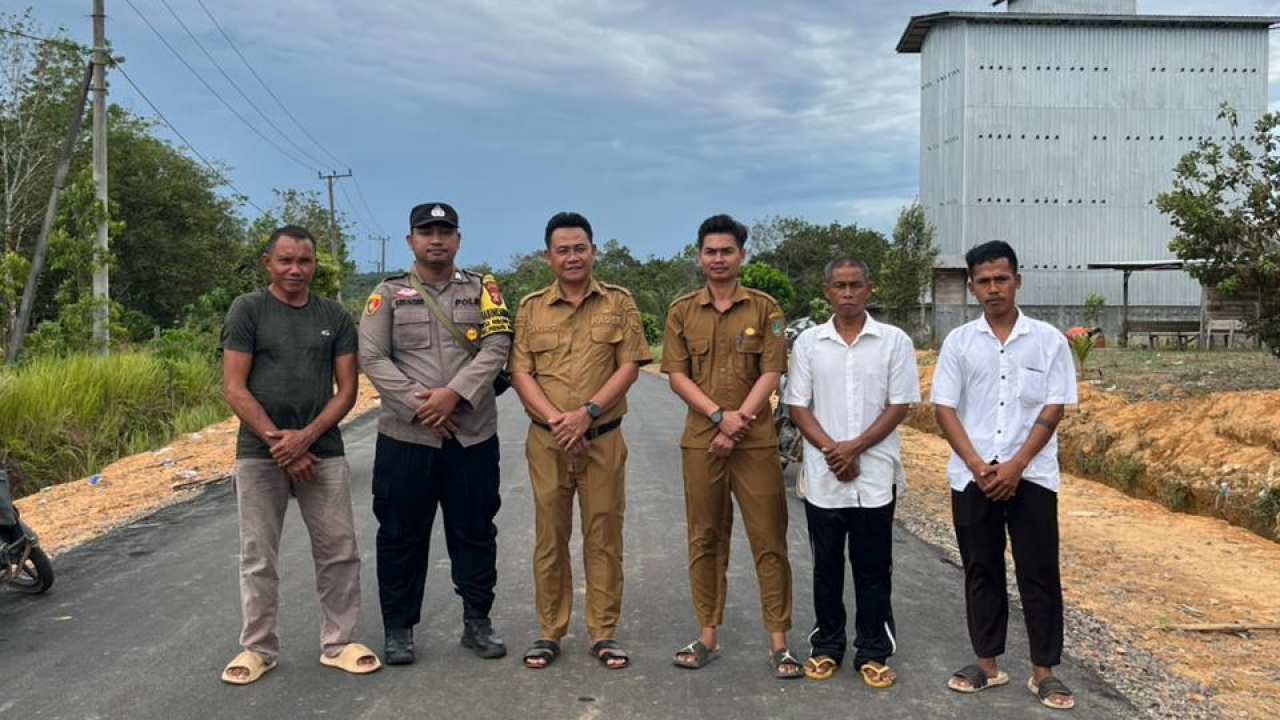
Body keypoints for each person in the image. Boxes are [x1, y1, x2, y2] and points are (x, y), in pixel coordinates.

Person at [219, 225, 379, 685]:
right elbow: (234, 386)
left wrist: (305, 439)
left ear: (315, 265)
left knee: (339, 550)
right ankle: (258, 648)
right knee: (257, 554)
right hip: (258, 451)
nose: (295, 269)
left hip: (322, 450)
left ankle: (339, 641)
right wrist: (280, 444)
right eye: (286, 260)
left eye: (304, 261)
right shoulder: (247, 310)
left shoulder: (334, 316)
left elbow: (347, 391)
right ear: (267, 263)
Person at [358, 202, 512, 666]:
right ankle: (399, 629)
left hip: (471, 435)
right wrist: (423, 407)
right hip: (407, 439)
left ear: (458, 239)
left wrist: (455, 396)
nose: (436, 239)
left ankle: (477, 623)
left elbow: (498, 344)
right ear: (411, 241)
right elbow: (372, 356)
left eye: (445, 231)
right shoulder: (386, 295)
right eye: (426, 232)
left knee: (475, 531)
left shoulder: (483, 289)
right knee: (401, 535)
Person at [932, 240, 1077, 711]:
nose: (993, 288)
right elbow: (945, 409)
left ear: (1018, 279)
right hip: (972, 476)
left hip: (1031, 476)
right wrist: (978, 466)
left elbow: (1054, 407)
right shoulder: (958, 343)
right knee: (981, 568)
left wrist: (1016, 465)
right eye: (984, 281)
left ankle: (1044, 672)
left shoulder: (1048, 340)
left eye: (1001, 279)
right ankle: (987, 664)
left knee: (1038, 570)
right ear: (972, 286)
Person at [509, 212, 651, 670]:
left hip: (602, 439)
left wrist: (586, 413)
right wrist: (557, 421)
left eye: (580, 248)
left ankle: (602, 632)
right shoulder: (531, 308)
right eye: (562, 250)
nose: (572, 257)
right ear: (548, 256)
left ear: (593, 251)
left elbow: (630, 365)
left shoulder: (619, 303)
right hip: (548, 442)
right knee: (550, 538)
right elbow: (520, 372)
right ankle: (549, 631)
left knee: (604, 535)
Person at [661, 214, 801, 679]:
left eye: (727, 251)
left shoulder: (765, 309)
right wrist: (720, 417)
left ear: (742, 255)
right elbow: (677, 376)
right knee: (705, 538)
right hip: (702, 442)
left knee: (769, 539)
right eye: (710, 251)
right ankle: (706, 636)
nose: (718, 259)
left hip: (756, 443)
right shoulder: (682, 311)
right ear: (698, 256)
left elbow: (771, 370)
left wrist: (738, 421)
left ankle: (779, 642)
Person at [783, 256, 920, 688]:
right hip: (825, 476)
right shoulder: (809, 344)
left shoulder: (894, 341)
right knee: (826, 565)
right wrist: (832, 451)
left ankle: (873, 650)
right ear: (827, 291)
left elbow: (899, 404)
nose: (847, 294)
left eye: (855, 285)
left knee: (874, 565)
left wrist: (855, 448)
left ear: (869, 289)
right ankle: (827, 646)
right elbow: (797, 406)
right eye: (839, 286)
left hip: (875, 473)